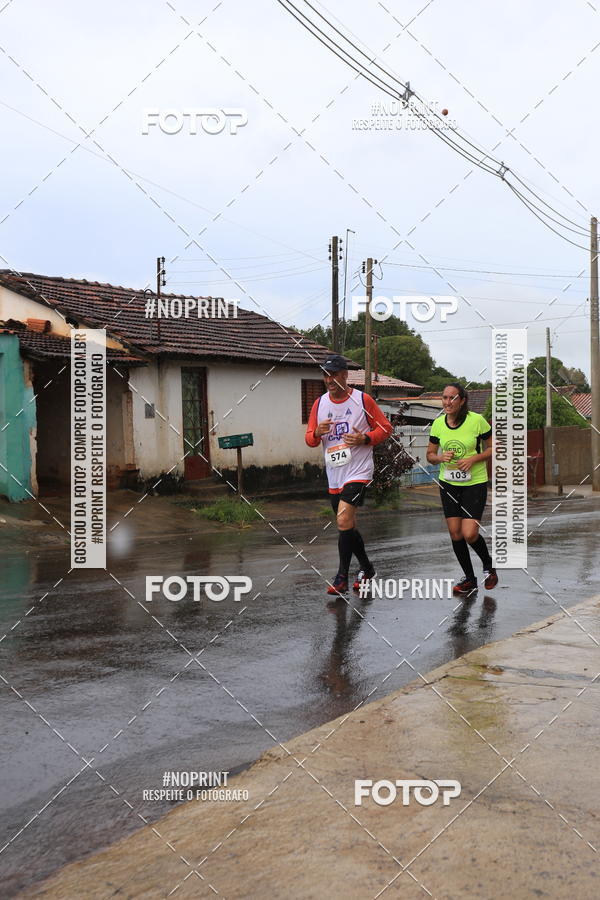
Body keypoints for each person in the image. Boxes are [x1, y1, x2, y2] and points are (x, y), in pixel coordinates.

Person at [305, 354, 392, 596]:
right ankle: (367, 568)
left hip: (359, 470)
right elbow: (309, 439)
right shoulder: (319, 404)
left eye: (334, 374)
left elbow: (385, 428)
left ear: (345, 375)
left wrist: (365, 438)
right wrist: (317, 433)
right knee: (348, 526)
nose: (329, 379)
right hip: (335, 474)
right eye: (326, 375)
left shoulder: (362, 400)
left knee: (343, 520)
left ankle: (341, 576)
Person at [426, 383, 497, 595]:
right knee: (455, 533)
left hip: (474, 483)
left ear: (462, 400)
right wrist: (440, 457)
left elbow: (493, 447)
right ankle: (469, 579)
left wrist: (474, 458)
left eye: (452, 398)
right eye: (444, 398)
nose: (447, 402)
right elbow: (429, 455)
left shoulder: (477, 421)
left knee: (469, 533)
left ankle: (488, 566)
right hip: (448, 483)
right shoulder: (438, 424)